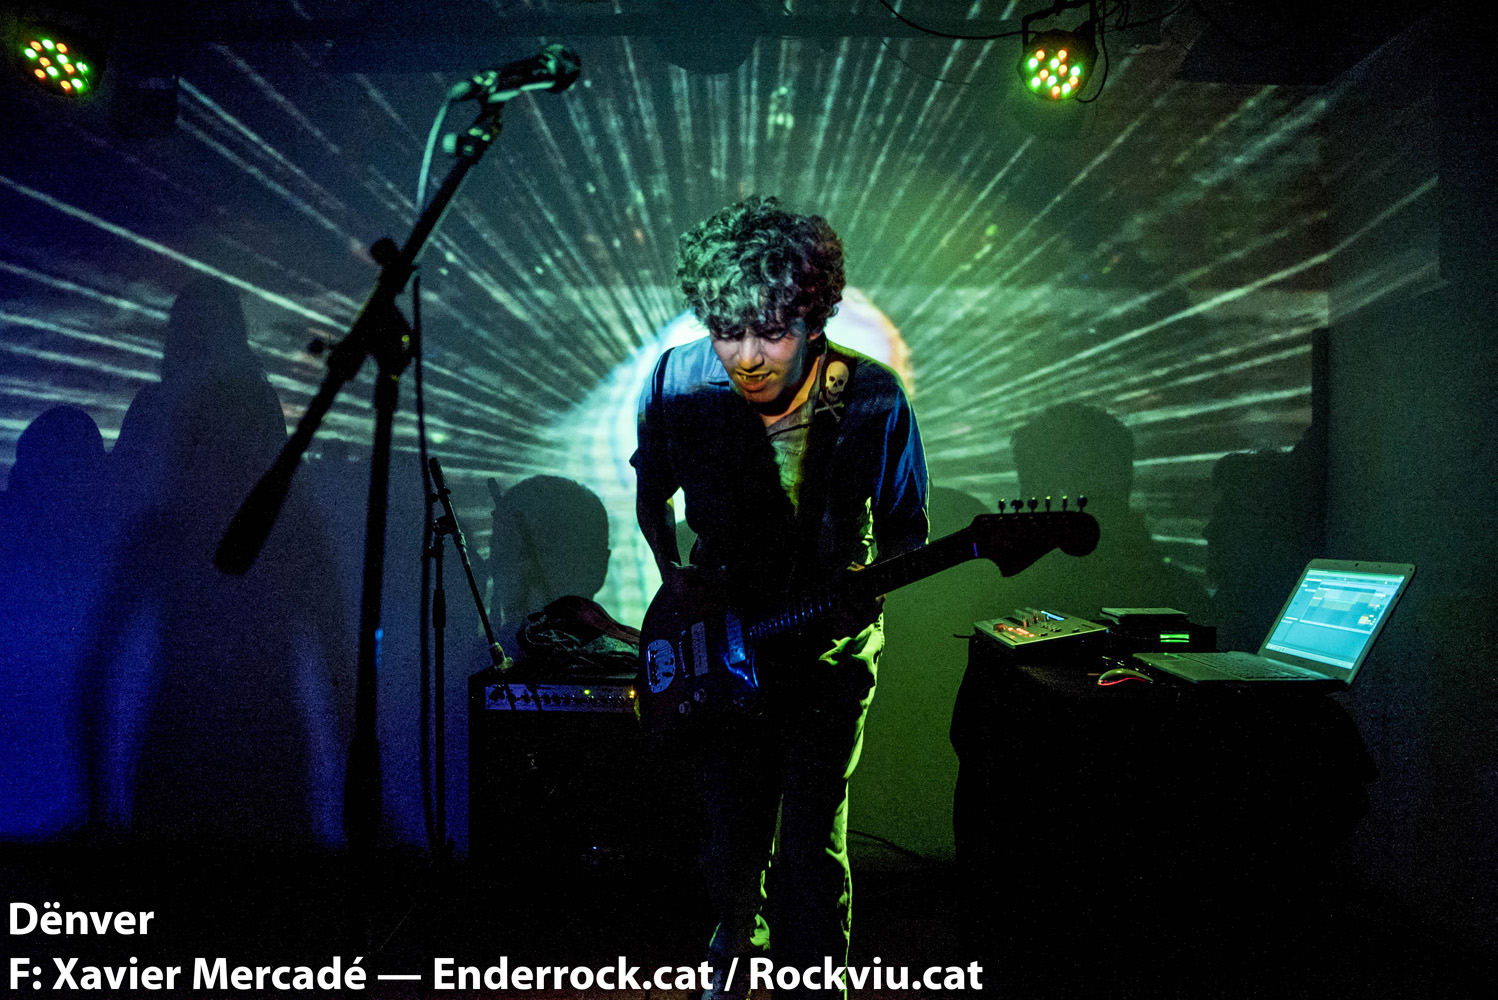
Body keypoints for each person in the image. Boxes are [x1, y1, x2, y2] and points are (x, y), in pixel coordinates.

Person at [631, 196, 928, 998]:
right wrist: (672, 570)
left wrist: (870, 591)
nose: (748, 355)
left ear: (814, 314)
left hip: (825, 652)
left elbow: (908, 527)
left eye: (772, 332)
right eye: (729, 331)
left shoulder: (870, 396)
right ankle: (732, 953)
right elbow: (652, 492)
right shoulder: (676, 378)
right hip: (720, 643)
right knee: (730, 834)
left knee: (810, 843)